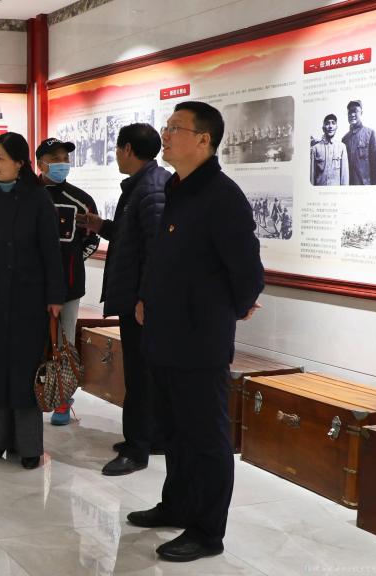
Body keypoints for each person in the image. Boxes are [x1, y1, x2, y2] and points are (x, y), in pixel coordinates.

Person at [129, 101, 264, 562]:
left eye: (176, 128)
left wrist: (227, 311)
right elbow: (163, 256)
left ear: (204, 140)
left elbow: (248, 272)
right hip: (164, 335)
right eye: (167, 127)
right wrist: (146, 296)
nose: (165, 135)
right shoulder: (177, 187)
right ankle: (177, 505)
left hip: (199, 341)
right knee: (174, 431)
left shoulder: (222, 197)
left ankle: (207, 531)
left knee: (205, 438)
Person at [0, 132, 65, 470]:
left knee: (25, 372)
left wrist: (55, 296)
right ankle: (1, 441)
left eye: (1, 158)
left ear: (20, 163)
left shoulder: (38, 199)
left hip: (28, 298)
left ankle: (30, 446)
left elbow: (51, 250)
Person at [76, 123, 169, 476]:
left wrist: (145, 298)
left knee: (140, 376)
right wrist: (101, 225)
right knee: (144, 373)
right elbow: (133, 236)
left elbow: (156, 251)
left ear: (128, 149)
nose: (115, 154)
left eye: (117, 148)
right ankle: (151, 436)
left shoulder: (152, 188)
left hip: (141, 303)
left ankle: (136, 449)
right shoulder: (143, 186)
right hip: (136, 298)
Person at [35, 137, 99, 426]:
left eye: (65, 158)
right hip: (31, 288)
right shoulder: (28, 195)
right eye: (55, 159)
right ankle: (34, 394)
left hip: (69, 288)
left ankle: (62, 398)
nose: (62, 163)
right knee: (33, 343)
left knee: (64, 343)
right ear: (41, 163)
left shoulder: (81, 200)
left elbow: (91, 240)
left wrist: (71, 263)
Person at [342, 100, 376, 185]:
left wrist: (373, 186)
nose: (352, 114)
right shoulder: (344, 139)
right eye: (350, 112)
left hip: (365, 186)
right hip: (349, 186)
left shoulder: (370, 133)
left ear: (361, 113)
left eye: (355, 111)